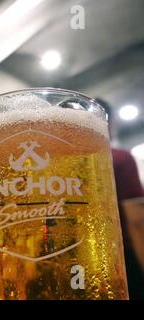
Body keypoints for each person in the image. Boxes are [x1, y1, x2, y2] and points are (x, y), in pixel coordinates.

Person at [96, 98, 144, 299]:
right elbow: (137, 220)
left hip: (78, 260)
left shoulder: (60, 165)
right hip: (120, 258)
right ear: (109, 123)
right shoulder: (120, 158)